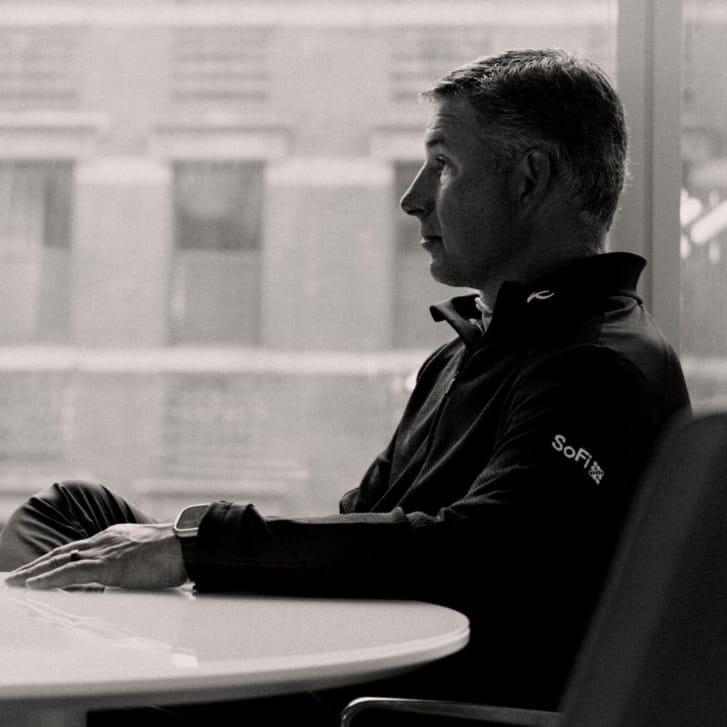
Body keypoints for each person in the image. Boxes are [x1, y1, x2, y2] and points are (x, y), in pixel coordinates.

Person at [0, 48, 689, 721]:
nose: (412, 198)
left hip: (381, 699)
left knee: (66, 635)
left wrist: (194, 545)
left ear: (530, 178)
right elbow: (364, 515)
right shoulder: (467, 353)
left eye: (442, 164)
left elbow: (484, 551)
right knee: (67, 514)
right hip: (340, 658)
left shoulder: (601, 364)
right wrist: (187, 559)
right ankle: (94, 677)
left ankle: (88, 688)